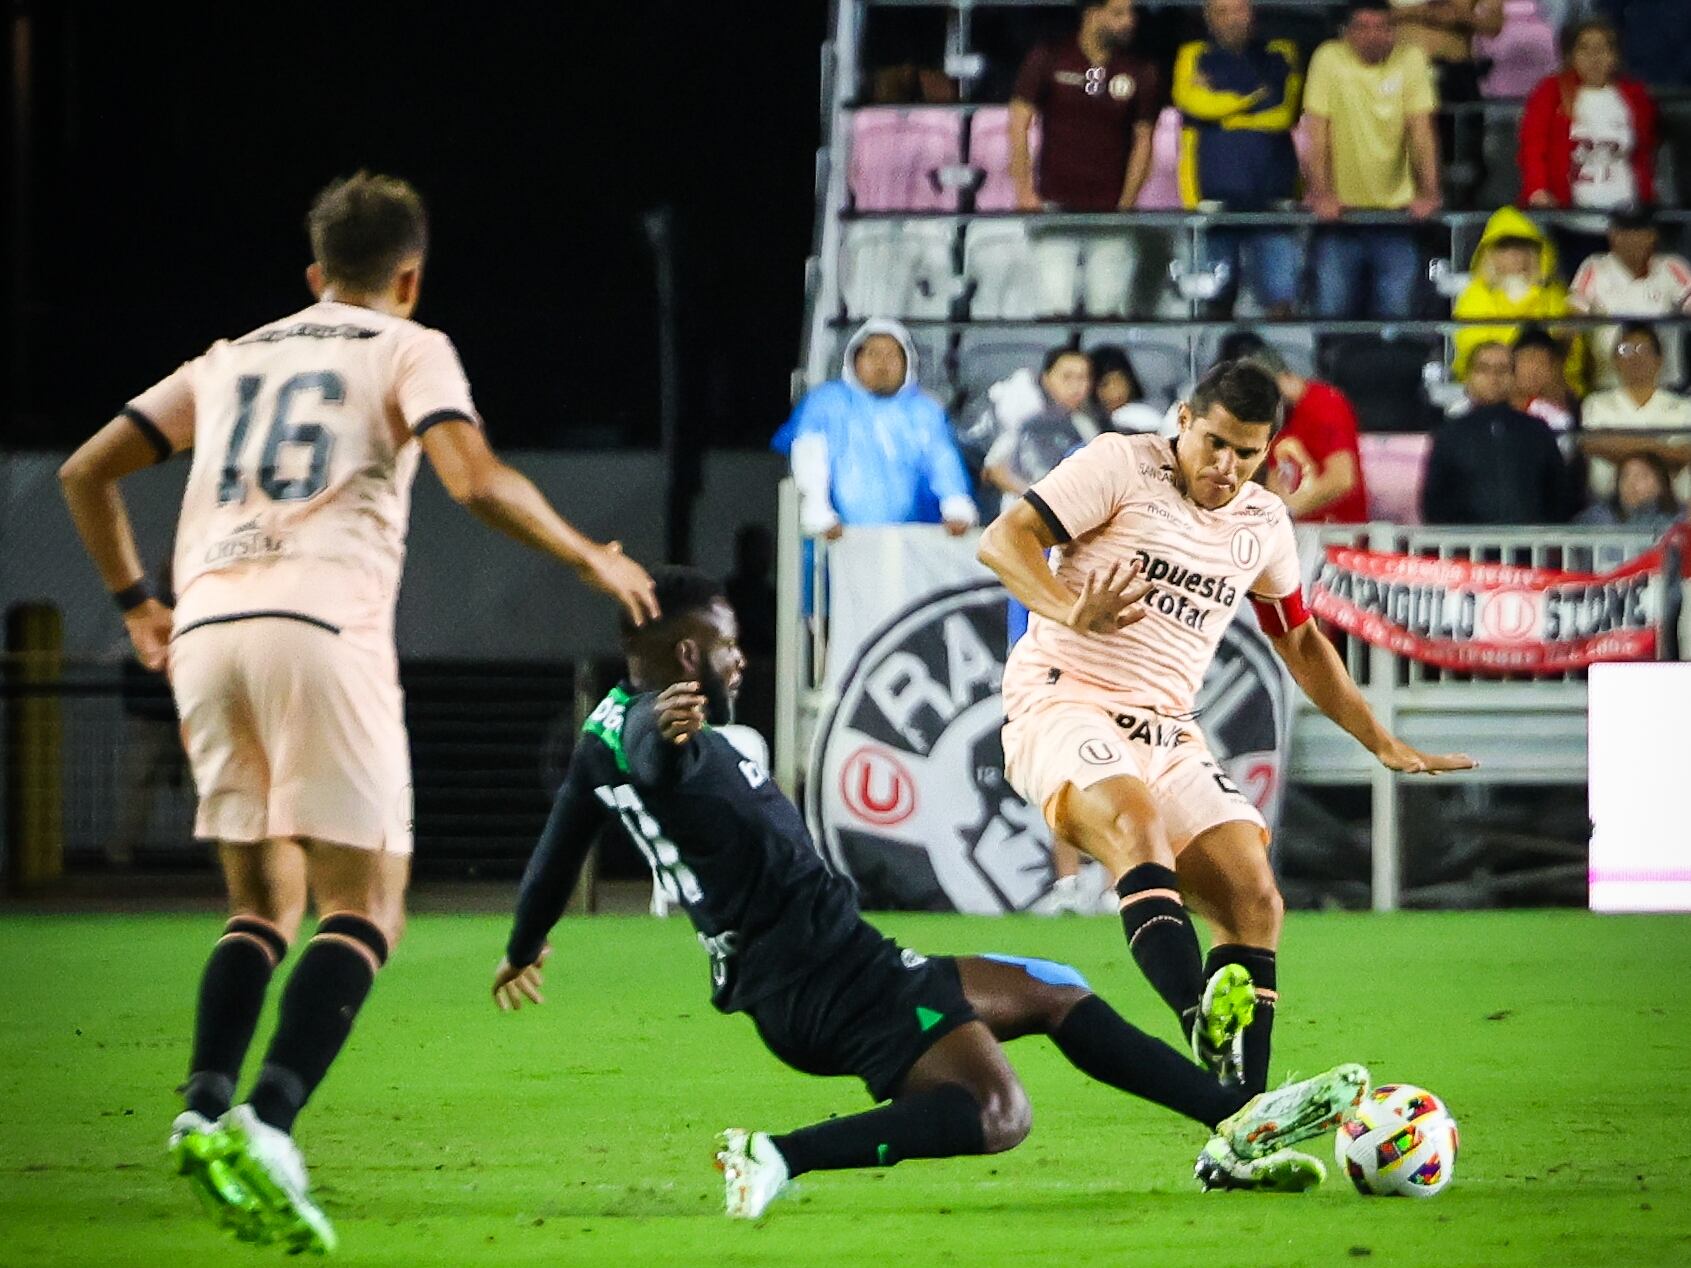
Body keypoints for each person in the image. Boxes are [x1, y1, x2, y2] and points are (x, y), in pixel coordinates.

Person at [56, 172, 659, 1253]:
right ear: (410, 277)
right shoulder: (405, 345)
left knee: (262, 901)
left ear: (312, 273)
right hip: (320, 629)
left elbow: (86, 471)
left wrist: (138, 603)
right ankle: (270, 1122)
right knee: (367, 900)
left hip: (204, 632)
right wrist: (588, 554)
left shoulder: (230, 356)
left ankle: (201, 1106)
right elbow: (472, 479)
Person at [493, 567, 1371, 1217]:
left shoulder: (598, 735)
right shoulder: (659, 727)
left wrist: (522, 945)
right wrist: (670, 733)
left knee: (1055, 991)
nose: (740, 659)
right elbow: (662, 751)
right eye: (727, 645)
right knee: (996, 1111)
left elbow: (555, 847)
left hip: (825, 966)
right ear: (687, 655)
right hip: (822, 983)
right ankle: (775, 1156)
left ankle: (1236, 1124)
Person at [976, 361, 1473, 1099]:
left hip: (1166, 726)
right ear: (1183, 418)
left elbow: (1300, 643)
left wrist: (1377, 738)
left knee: (1254, 900)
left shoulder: (1262, 522)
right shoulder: (1119, 463)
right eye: (1213, 443)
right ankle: (1199, 1019)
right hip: (1063, 698)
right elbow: (1003, 540)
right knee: (1135, 822)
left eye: (1246, 453)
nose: (1225, 466)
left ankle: (1244, 1119)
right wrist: (1066, 606)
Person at [1009, 0, 1167, 317]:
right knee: (1053, 310)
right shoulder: (1049, 57)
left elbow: (1144, 140)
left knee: (1107, 312)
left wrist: (1127, 202)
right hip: (1054, 205)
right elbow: (1018, 123)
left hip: (1111, 211)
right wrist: (1024, 191)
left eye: (1132, 14)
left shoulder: (1140, 70)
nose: (1129, 22)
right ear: (1092, 14)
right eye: (1118, 14)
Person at [777, 319, 978, 539]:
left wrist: (956, 506)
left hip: (911, 544)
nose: (882, 364)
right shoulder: (826, 403)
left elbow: (943, 462)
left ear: (907, 361)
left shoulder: (925, 411)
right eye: (872, 354)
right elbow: (809, 456)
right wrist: (819, 510)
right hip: (840, 540)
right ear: (854, 360)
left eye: (892, 355)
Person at [1304, 0, 1442, 320]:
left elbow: (1422, 132)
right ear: (1347, 33)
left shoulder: (1411, 58)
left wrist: (1430, 191)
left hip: (1397, 214)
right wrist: (1322, 193)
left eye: (1383, 27)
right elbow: (1317, 133)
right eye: (1363, 27)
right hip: (1341, 217)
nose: (1374, 36)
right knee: (1332, 314)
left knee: (1397, 316)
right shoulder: (1328, 58)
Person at [1171, 0, 1304, 318]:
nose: (1232, 19)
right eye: (1222, 12)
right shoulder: (1193, 54)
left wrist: (1223, 112)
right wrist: (1252, 99)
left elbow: (1283, 112)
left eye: (1239, 10)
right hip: (1212, 197)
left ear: (1253, 14)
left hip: (1273, 197)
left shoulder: (1281, 51)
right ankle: (1215, 368)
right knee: (1213, 300)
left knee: (1281, 299)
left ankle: (1275, 366)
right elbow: (1190, 101)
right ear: (1208, 19)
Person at [1421, 340, 1578, 522]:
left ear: (1513, 378)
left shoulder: (1537, 431)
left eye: (1502, 370)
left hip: (1529, 545)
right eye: (1484, 369)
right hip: (1465, 546)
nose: (1493, 378)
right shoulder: (1450, 434)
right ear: (1469, 377)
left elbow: (1558, 495)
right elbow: (1435, 500)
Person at [1518, 19, 1659, 212]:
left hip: (1627, 218)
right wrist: (1537, 189)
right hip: (1569, 216)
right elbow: (1533, 148)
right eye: (1584, 49)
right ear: (1571, 55)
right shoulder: (1551, 93)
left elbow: (1645, 151)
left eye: (1602, 49)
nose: (1594, 58)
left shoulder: (1635, 96)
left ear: (1615, 55)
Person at [1237, 339, 1370, 524]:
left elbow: (1341, 479)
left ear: (1284, 377)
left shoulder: (1325, 403)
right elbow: (1276, 484)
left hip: (1339, 534)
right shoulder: (1274, 420)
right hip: (1297, 535)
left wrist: (1289, 513)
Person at [1452, 206, 1585, 390]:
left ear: (1534, 251)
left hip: (1549, 390)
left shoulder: (1554, 296)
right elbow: (1471, 349)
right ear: (1490, 253)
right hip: (1492, 389)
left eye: (1521, 246)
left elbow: (1572, 359)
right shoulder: (1475, 295)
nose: (1513, 254)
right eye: (1504, 247)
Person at [1390, 0, 1505, 208]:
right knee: (1401, 155)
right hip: (1402, 73)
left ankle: (1462, 219)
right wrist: (1414, 12)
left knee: (1466, 163)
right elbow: (1361, 18)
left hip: (1457, 73)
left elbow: (1493, 25)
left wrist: (1460, 16)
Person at [967, 347, 1101, 517]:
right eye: (1067, 377)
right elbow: (993, 469)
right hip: (1022, 518)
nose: (1076, 386)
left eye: (1083, 378)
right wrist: (1035, 499)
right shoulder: (1025, 420)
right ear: (1046, 378)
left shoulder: (1087, 426)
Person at [1569, 204, 1691, 390]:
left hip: (1666, 386)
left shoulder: (1672, 267)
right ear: (1612, 236)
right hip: (1610, 387)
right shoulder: (1595, 267)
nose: (1631, 238)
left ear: (1652, 235)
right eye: (1624, 231)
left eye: (1639, 230)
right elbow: (1572, 319)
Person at [1579, 321, 1691, 502]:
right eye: (1626, 350)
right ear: (1614, 358)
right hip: (1609, 512)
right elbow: (1594, 444)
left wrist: (1622, 445)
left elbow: (1685, 454)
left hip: (1673, 510)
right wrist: (1662, 449)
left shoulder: (1684, 406)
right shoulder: (1596, 403)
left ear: (1660, 359)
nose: (1635, 357)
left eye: (1644, 349)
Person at [1575, 451, 1685, 531]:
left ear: (1661, 485)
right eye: (1625, 476)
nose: (1631, 483)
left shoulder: (1679, 519)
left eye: (1642, 476)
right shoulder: (1597, 519)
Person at [1511, 326, 1580, 442]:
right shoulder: (1489, 404)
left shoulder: (1558, 418)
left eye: (1542, 362)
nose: (1534, 369)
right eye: (1529, 359)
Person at [1090, 345, 1174, 435]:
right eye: (1104, 384)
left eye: (1120, 381)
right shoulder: (1089, 423)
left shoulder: (1145, 416)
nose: (1116, 391)